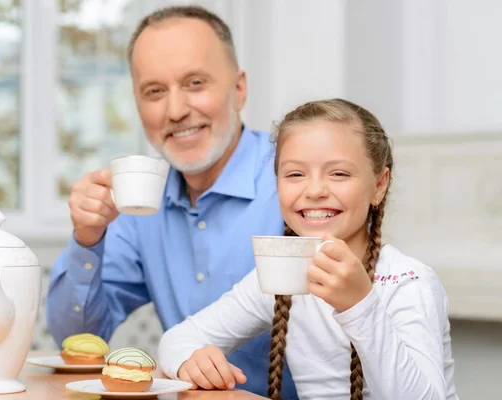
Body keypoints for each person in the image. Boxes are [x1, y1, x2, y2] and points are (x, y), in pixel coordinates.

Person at [45, 5, 298, 398]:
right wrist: (87, 238)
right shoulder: (138, 205)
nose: (176, 110)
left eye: (195, 82)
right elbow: (78, 340)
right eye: (155, 91)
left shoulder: (296, 179)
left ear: (239, 88)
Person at [158, 99, 459, 400]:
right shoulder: (283, 276)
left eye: (339, 174)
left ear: (379, 185)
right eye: (295, 175)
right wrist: (190, 360)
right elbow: (177, 339)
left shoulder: (408, 282)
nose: (314, 191)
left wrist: (359, 305)